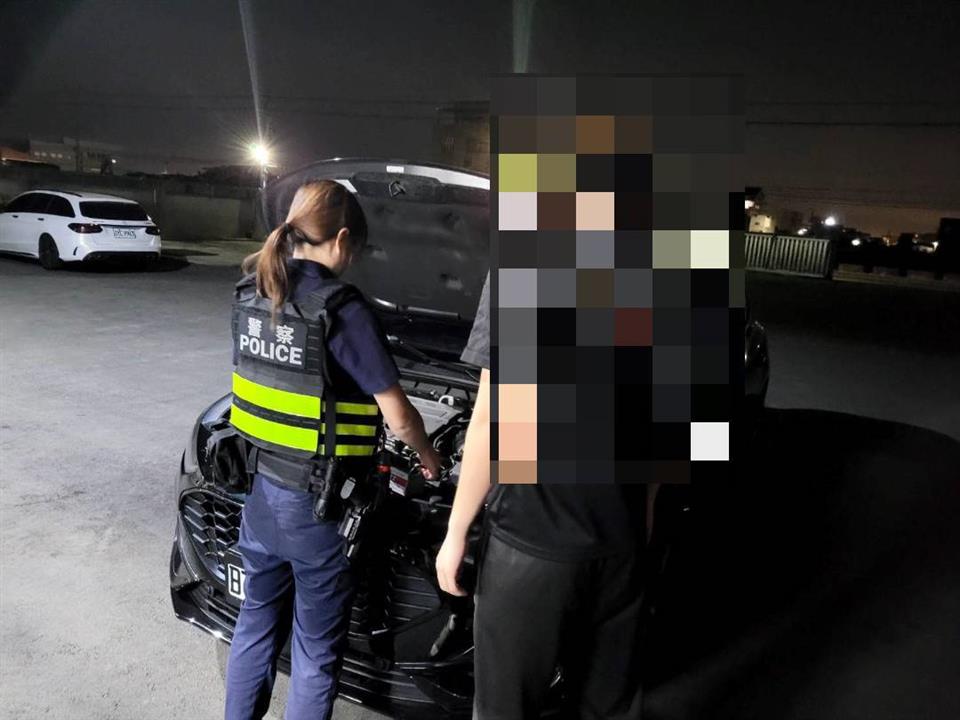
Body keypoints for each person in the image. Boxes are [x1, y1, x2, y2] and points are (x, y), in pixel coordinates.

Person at [224, 179, 442, 720]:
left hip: (260, 493)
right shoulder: (340, 309)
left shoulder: (253, 291)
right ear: (342, 239)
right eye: (356, 250)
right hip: (318, 510)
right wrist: (431, 459)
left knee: (254, 624)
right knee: (315, 652)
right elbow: (399, 416)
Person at [436, 272, 649, 720]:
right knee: (605, 708)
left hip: (531, 538)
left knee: (504, 709)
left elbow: (490, 420)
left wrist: (456, 532)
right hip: (622, 542)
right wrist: (640, 529)